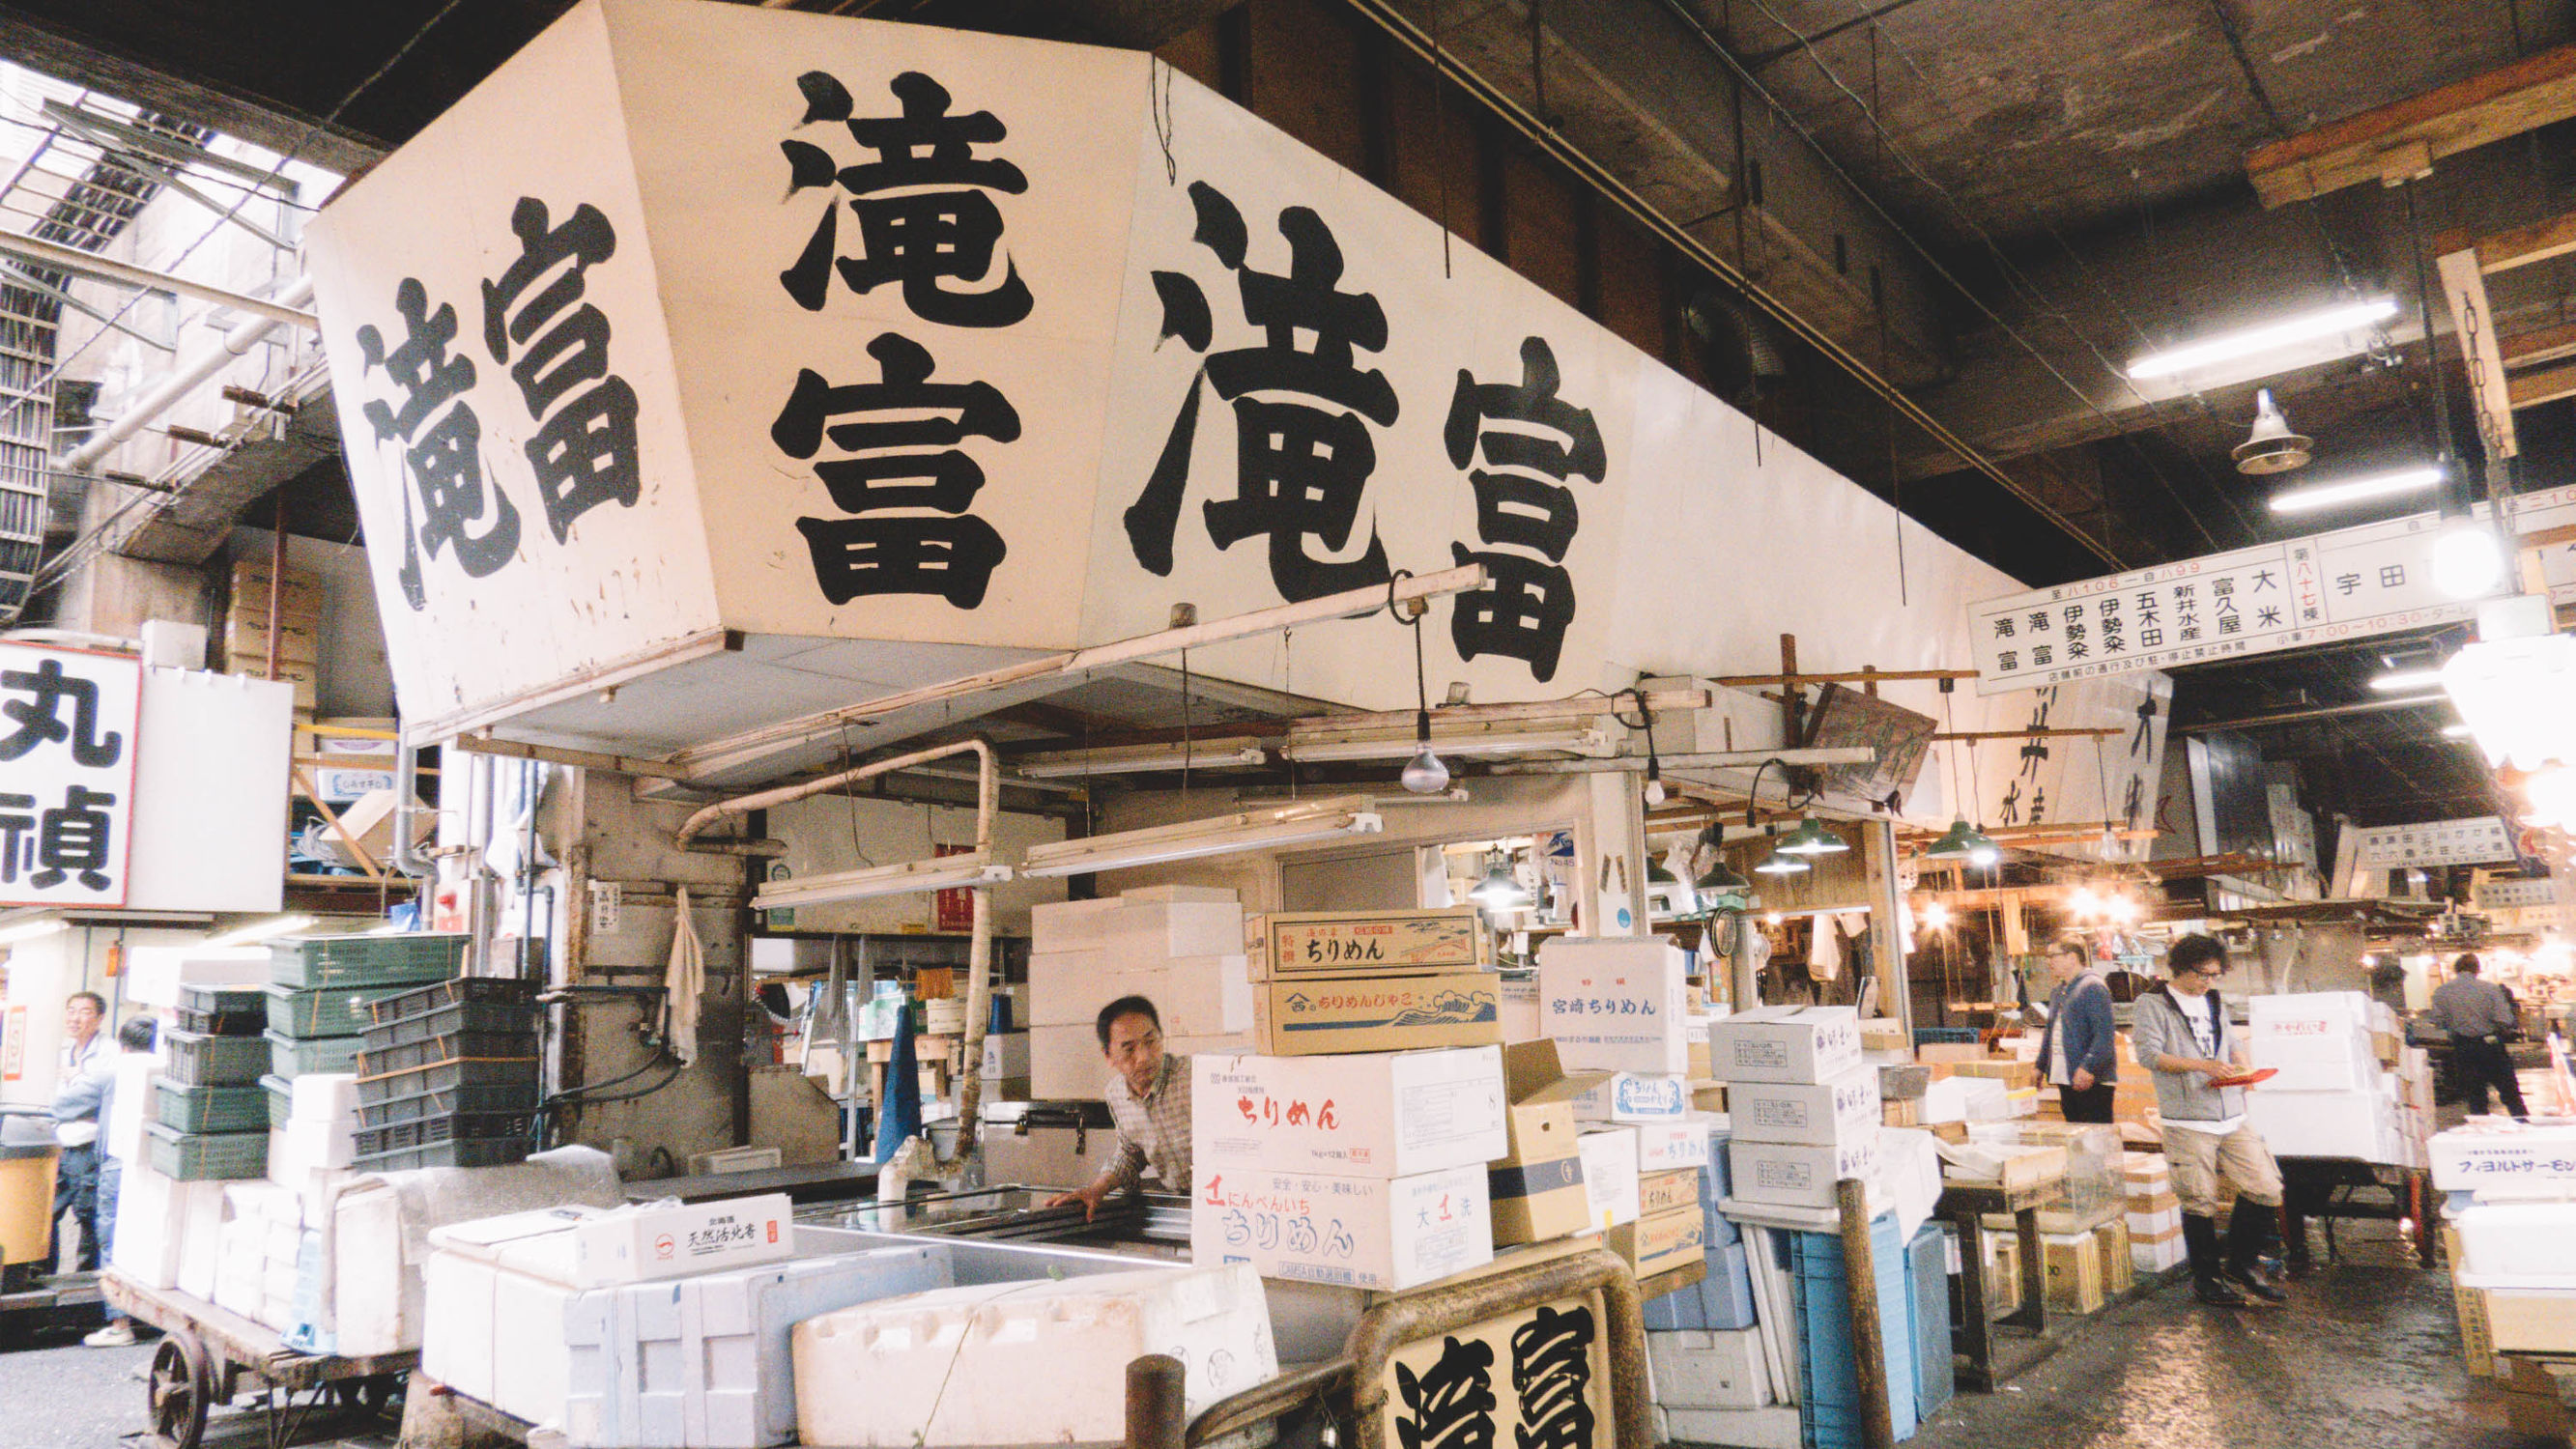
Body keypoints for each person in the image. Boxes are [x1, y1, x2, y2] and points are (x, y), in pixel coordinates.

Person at [2129, 934, 2288, 1308]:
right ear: (2181, 969)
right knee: (2199, 1200)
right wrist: (2203, 1066)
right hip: (2187, 1119)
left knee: (2266, 1187)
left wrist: (2243, 1067)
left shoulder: (2215, 1000)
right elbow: (2149, 1055)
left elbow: (2231, 1041)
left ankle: (2240, 1264)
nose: (2208, 982)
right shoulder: (2152, 1004)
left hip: (2231, 1115)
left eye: (2215, 975)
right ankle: (2207, 1280)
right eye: (2202, 974)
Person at [1043, 996, 1190, 1219]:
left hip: (1229, 1199)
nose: (1144, 1057)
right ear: (1108, 1056)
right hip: (1182, 1208)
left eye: (1150, 1041)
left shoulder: (1192, 1077)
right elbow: (1131, 1154)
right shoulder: (1116, 1094)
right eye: (1129, 1049)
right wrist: (1097, 1189)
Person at [85, 1015, 157, 1347]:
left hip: (118, 1163)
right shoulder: (168, 1071)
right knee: (150, 1237)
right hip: (157, 1166)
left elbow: (65, 1103)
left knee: (112, 1239)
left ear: (122, 1045)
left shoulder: (113, 1073)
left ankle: (119, 1323)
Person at [47, 992, 112, 1276]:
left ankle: (85, 1279)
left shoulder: (108, 1052)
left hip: (87, 1146)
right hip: (61, 1142)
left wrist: (76, 1082)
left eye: (84, 1012)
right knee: (46, 1211)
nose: (75, 1018)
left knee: (88, 1215)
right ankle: (40, 1273)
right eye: (71, 1010)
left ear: (99, 1018)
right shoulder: (67, 1047)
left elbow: (87, 1097)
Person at [2428, 953, 2527, 1120]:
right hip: (2490, 1045)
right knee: (2509, 1091)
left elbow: (2437, 1021)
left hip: (2463, 1046)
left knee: (2475, 1095)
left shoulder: (2441, 991)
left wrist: (2456, 1024)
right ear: (2477, 969)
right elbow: (2505, 1019)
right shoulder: (2490, 989)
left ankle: (2481, 1127)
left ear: (2456, 969)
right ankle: (2522, 1123)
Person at [2036, 938, 2117, 1123]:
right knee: (2075, 1134)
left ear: (2072, 958)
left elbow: (2104, 1035)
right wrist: (2040, 1065)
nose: (2048, 962)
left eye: (2053, 956)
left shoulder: (2092, 986)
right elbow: (2050, 1032)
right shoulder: (2059, 991)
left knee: (2095, 1135)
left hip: (2092, 1081)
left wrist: (2088, 1067)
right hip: (2066, 1077)